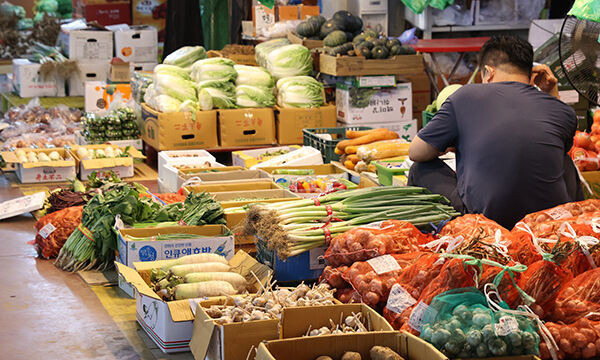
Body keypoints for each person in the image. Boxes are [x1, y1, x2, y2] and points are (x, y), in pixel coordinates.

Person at [408, 35, 583, 229]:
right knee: (565, 160)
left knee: (420, 168)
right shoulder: (563, 111)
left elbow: (416, 152)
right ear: (531, 73)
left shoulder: (465, 97)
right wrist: (552, 94)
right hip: (545, 224)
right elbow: (560, 144)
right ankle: (571, 228)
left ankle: (440, 237)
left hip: (486, 224)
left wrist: (449, 143)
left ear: (488, 72)